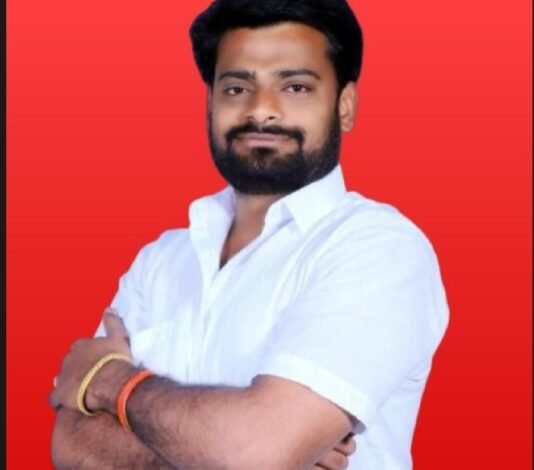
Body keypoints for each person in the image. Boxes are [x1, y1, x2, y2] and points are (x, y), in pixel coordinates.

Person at [50, 0, 449, 468]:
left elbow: (253, 452)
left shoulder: (378, 248)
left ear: (345, 105)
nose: (261, 110)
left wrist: (108, 381)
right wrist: (236, 447)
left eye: (296, 87)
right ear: (210, 102)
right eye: (237, 88)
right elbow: (70, 444)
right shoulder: (159, 261)